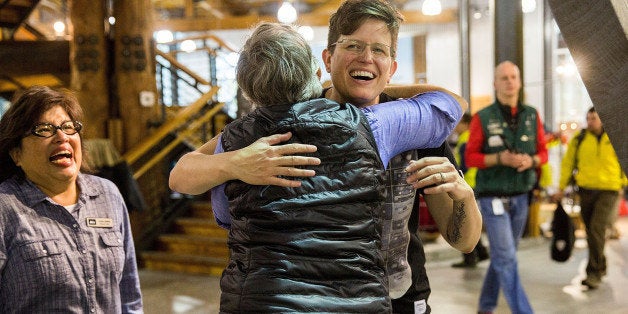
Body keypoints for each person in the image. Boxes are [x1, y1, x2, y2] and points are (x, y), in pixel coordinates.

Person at [169, 1, 482, 313]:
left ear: (393, 66)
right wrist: (234, 163)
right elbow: (186, 169)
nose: (366, 58)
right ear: (327, 60)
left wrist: (465, 196)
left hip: (397, 296)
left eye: (379, 51)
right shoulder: (281, 119)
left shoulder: (416, 129)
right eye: (354, 46)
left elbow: (464, 242)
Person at [0, 86, 143, 313]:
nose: (62, 137)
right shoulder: (5, 208)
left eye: (68, 127)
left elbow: (129, 292)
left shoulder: (108, 194)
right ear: (16, 153)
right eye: (44, 129)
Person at [466, 60, 548, 314]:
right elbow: (470, 158)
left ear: (520, 82)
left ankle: (486, 305)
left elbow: (543, 153)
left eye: (514, 77)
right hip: (492, 199)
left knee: (503, 259)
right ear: (495, 84)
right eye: (504, 78)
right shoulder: (483, 117)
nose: (510, 82)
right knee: (507, 258)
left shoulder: (532, 115)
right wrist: (499, 158)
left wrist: (530, 160)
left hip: (522, 198)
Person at [553, 106, 627, 289]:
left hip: (609, 190)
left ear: (602, 119)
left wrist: (623, 182)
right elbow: (568, 163)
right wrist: (561, 188)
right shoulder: (579, 139)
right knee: (591, 232)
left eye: (594, 118)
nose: (590, 121)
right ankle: (600, 265)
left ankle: (593, 272)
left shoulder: (615, 137)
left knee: (596, 229)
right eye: (588, 118)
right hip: (585, 190)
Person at [451, 112, 489, 268]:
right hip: (474, 182)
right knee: (471, 218)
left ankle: (470, 257)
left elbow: (464, 165)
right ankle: (481, 252)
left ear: (465, 123)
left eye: (457, 123)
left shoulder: (466, 138)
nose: (455, 127)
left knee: (464, 219)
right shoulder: (471, 136)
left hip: (468, 183)